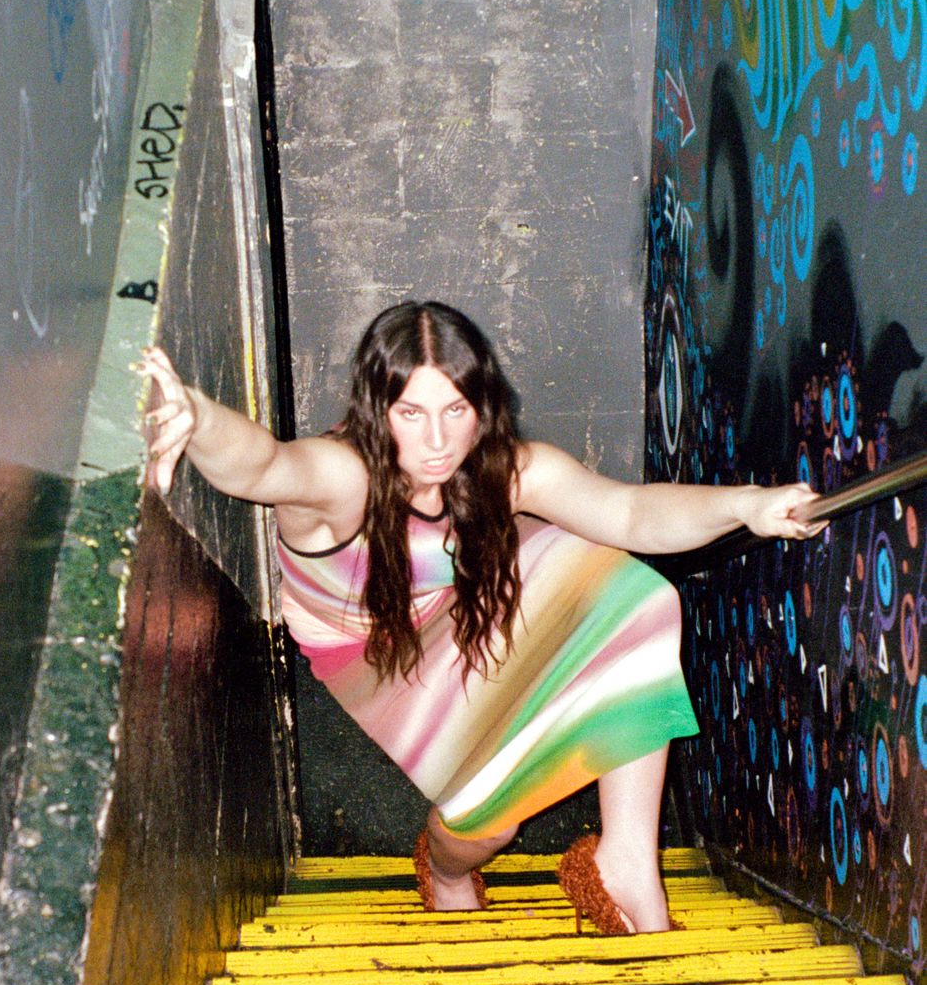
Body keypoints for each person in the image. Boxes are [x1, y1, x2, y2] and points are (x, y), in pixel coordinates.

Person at [140, 301, 824, 934]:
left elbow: (630, 513)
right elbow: (263, 466)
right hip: (375, 653)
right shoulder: (345, 478)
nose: (438, 439)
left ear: (481, 403)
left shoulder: (501, 470)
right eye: (411, 413)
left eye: (456, 408)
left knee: (639, 601)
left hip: (463, 601)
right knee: (487, 823)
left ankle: (627, 862)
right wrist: (197, 415)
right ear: (377, 409)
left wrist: (746, 505)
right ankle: (444, 869)